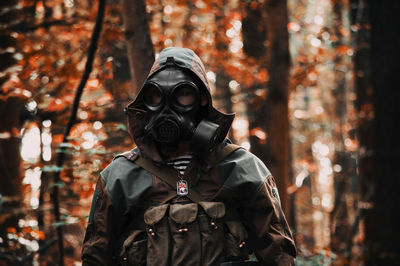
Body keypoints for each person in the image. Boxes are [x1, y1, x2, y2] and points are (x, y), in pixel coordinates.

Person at [82, 47, 296, 265]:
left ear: (202, 99)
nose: (167, 107)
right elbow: (95, 257)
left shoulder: (242, 170)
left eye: (183, 94)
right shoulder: (120, 176)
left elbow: (279, 256)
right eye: (155, 95)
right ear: (145, 102)